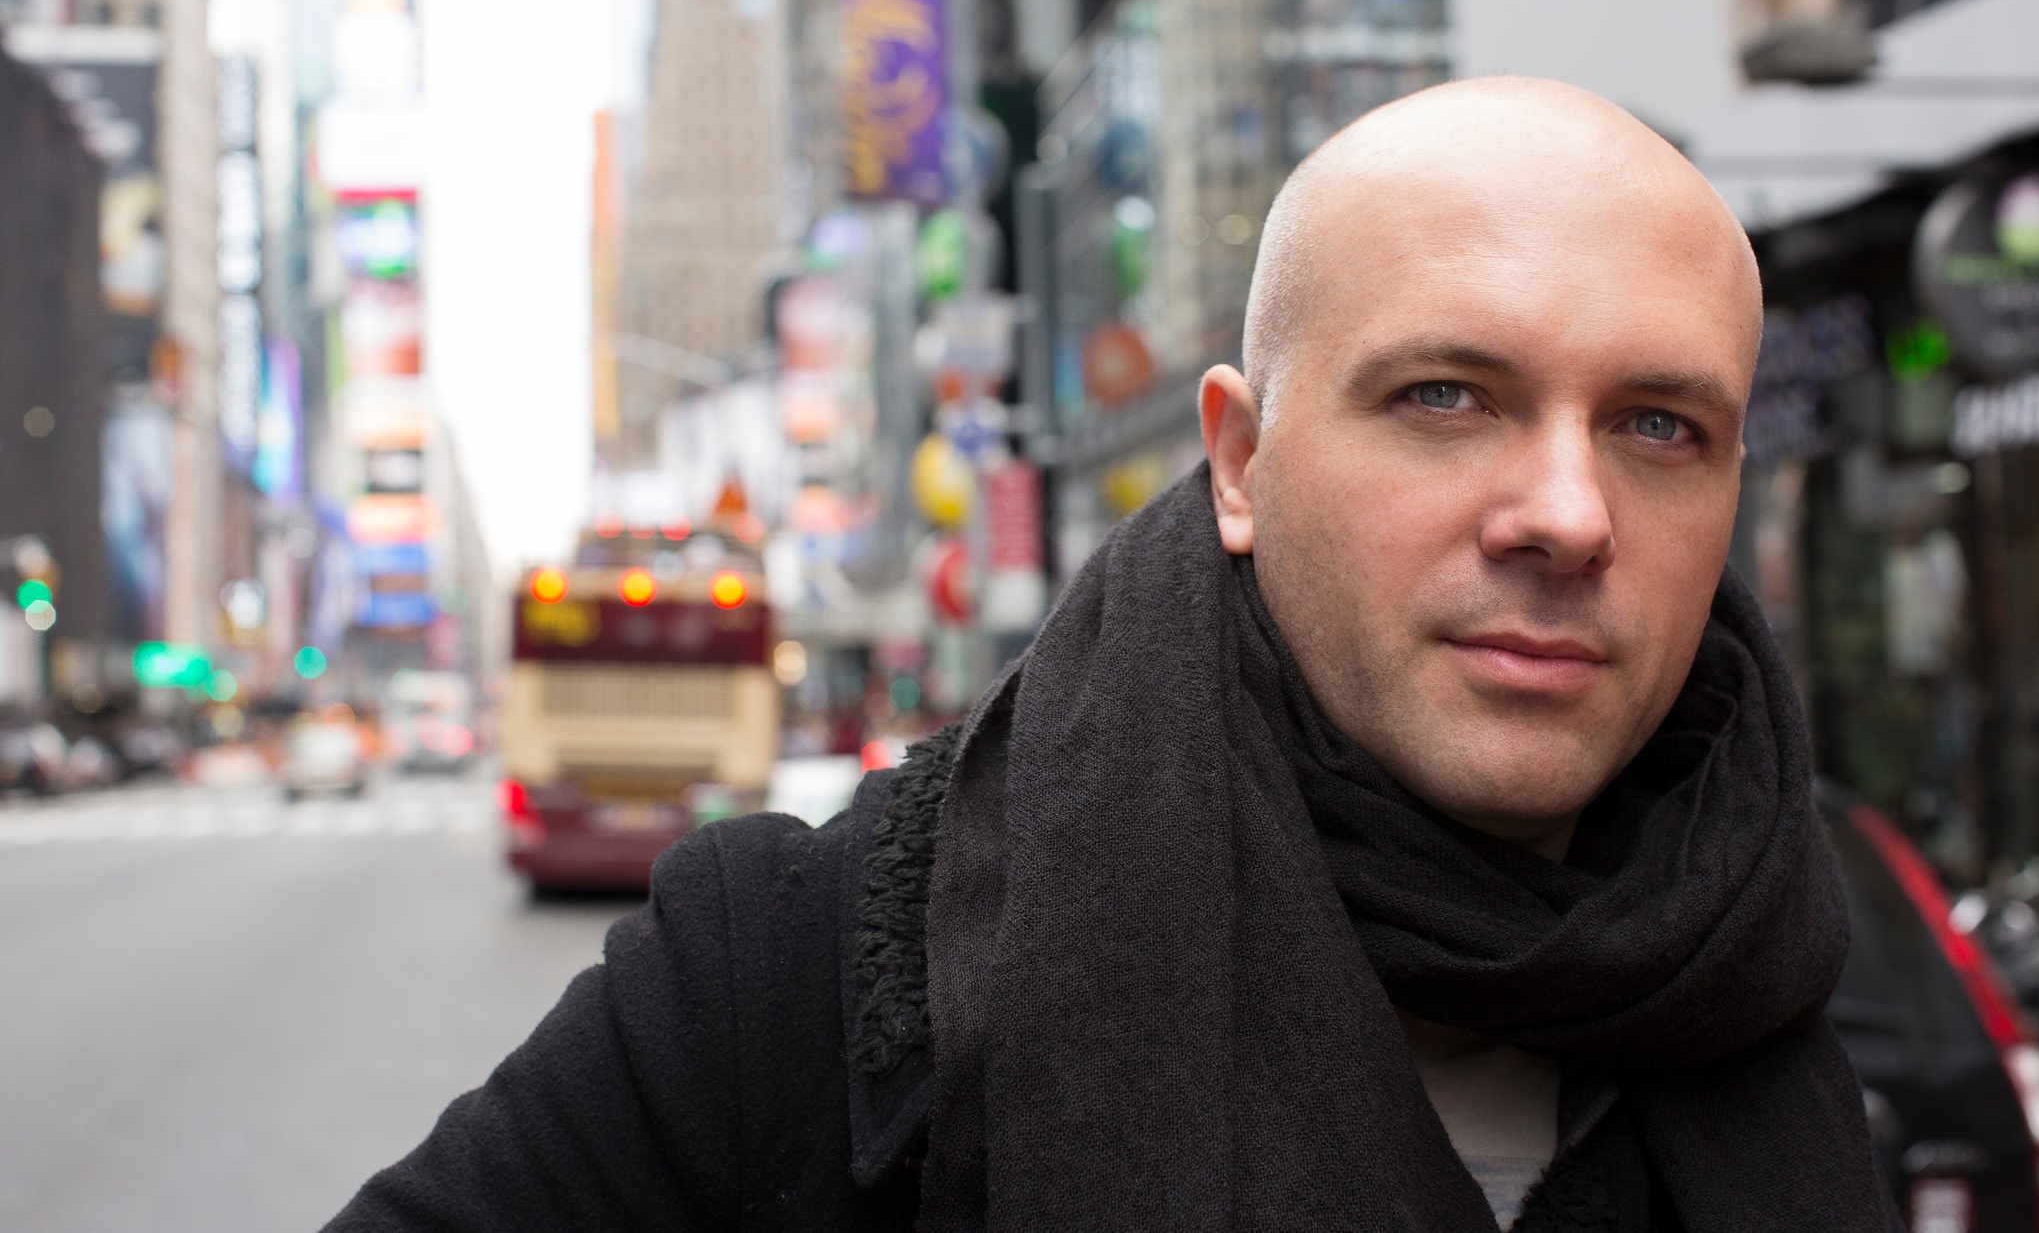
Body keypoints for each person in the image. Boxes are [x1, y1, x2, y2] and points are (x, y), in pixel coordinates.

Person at [324, 77, 1896, 1233]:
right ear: (1238, 460)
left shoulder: (1799, 975)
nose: (1566, 513)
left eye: (1657, 425)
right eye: (1445, 396)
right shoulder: (784, 974)